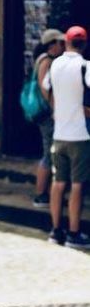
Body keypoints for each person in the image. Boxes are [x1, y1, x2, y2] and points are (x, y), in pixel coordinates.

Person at [43, 25, 90, 249]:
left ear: (67, 42)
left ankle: (55, 230)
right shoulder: (85, 67)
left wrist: (57, 110)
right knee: (77, 184)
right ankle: (74, 232)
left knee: (58, 183)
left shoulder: (55, 65)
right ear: (85, 44)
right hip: (79, 135)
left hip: (59, 133)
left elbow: (47, 89)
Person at [32, 29, 65, 208]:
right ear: (52, 44)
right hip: (47, 114)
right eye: (60, 43)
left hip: (46, 113)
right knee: (48, 153)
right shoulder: (46, 61)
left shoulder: (46, 60)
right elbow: (45, 89)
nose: (62, 46)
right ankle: (40, 194)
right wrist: (55, 109)